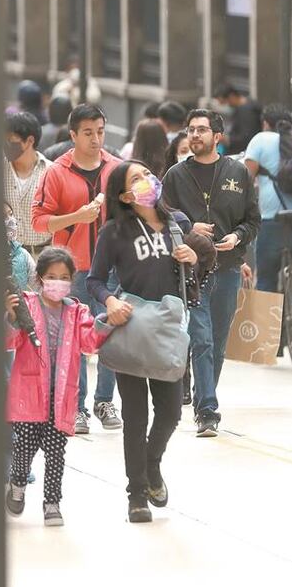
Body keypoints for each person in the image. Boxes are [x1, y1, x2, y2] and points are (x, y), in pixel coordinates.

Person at [87, 160, 200, 523]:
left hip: (167, 329)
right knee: (135, 416)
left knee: (169, 411)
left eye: (147, 174)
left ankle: (152, 465)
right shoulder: (114, 231)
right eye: (137, 178)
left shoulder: (176, 224)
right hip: (132, 327)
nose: (147, 180)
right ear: (124, 194)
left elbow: (193, 277)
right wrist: (110, 300)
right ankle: (136, 493)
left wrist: (193, 259)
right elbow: (95, 279)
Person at [162, 109, 259, 436]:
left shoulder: (238, 173)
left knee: (217, 343)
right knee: (200, 338)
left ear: (218, 136)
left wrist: (238, 237)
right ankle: (207, 411)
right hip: (192, 270)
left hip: (229, 267)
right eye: (191, 130)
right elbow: (162, 217)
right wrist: (189, 227)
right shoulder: (175, 175)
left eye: (202, 130)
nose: (195, 135)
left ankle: (207, 395)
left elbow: (252, 220)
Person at [31, 103, 122, 434]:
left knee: (112, 330)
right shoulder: (56, 171)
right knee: (75, 335)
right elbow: (39, 221)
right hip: (75, 266)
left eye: (100, 131)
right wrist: (76, 217)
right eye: (88, 133)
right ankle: (78, 405)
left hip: (112, 266)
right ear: (73, 135)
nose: (96, 139)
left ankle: (104, 399)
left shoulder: (117, 169)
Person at [5, 247, 111, 526]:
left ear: (72, 280)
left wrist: (106, 323)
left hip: (62, 397)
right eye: (51, 276)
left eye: (64, 277)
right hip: (29, 396)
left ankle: (52, 502)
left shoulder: (78, 312)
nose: (57, 282)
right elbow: (8, 342)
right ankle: (17, 483)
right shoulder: (25, 305)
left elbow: (89, 343)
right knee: (24, 448)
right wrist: (11, 317)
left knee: (56, 451)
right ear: (39, 278)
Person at [244, 106, 292, 294]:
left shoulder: (261, 139)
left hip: (273, 219)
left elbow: (245, 180)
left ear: (265, 123)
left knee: (265, 280)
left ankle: (268, 323)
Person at [4, 112, 52, 255]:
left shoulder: (51, 172)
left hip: (43, 255)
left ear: (30, 141)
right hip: (8, 257)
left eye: (11, 140)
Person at [215, 84, 262, 155]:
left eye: (224, 102)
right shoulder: (240, 109)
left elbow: (246, 137)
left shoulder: (246, 111)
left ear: (231, 97)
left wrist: (227, 140)